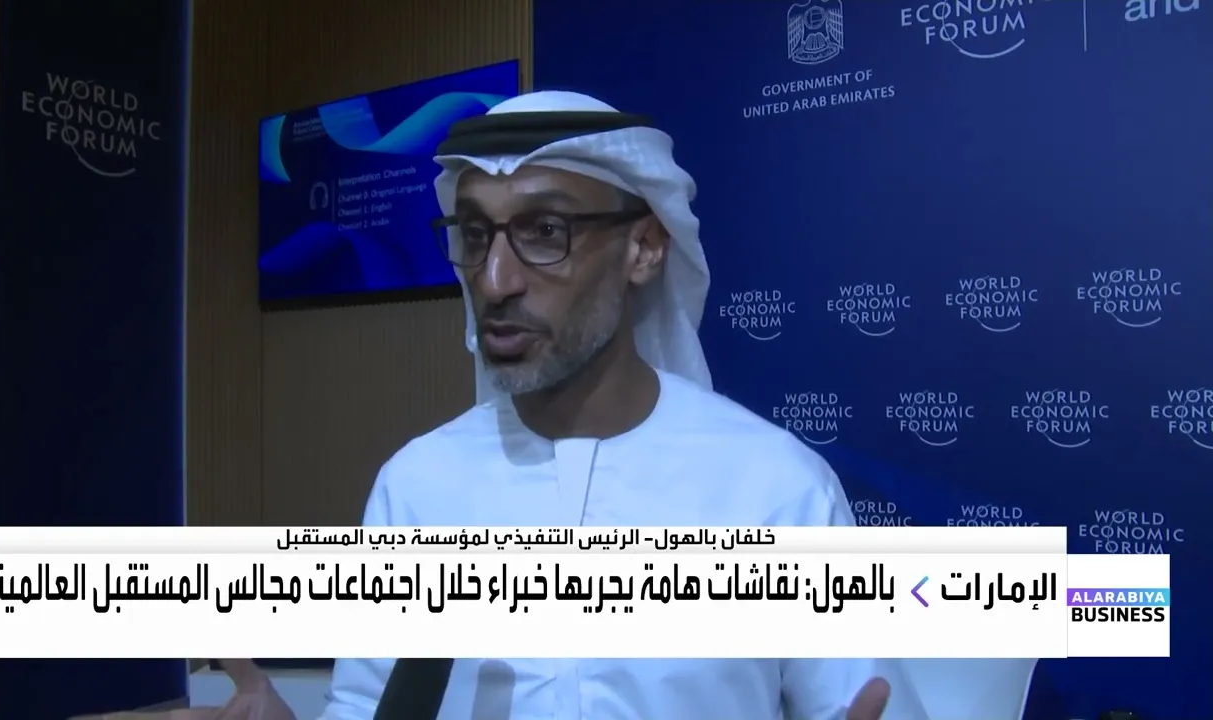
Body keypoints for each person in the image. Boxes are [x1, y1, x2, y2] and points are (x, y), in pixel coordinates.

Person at [176, 90, 927, 720]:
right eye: (476, 235)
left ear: (643, 248)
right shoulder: (417, 488)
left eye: (545, 231)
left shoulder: (774, 487)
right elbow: (369, 707)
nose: (495, 279)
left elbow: (863, 702)